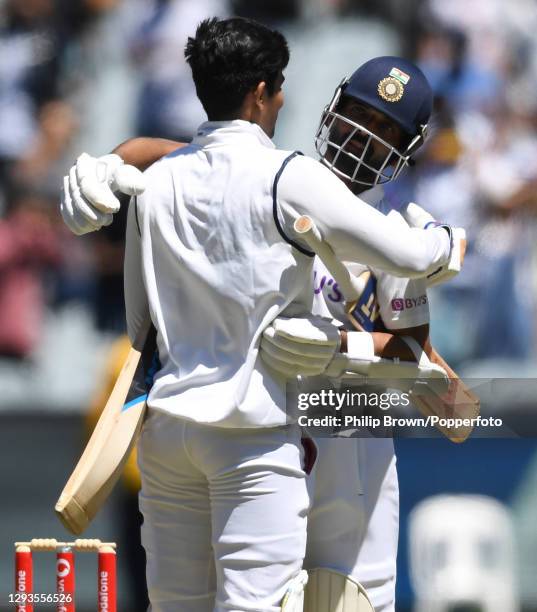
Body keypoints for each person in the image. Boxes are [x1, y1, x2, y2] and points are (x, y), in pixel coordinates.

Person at [60, 18, 462, 612]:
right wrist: (107, 162)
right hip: (265, 449)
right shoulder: (281, 180)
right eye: (357, 114)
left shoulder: (396, 236)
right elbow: (183, 158)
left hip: (348, 468)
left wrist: (341, 347)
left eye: (383, 130)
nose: (361, 136)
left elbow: (444, 398)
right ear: (329, 107)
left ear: (405, 148)